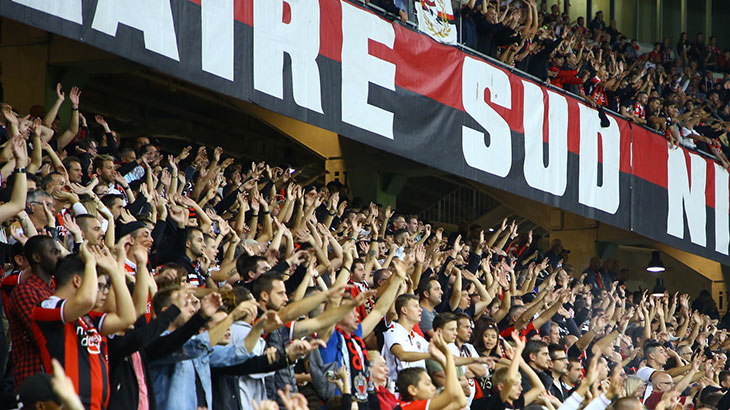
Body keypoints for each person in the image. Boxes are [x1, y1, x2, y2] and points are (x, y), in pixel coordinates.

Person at [393, 333, 467, 410]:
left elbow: (461, 402)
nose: (433, 388)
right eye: (427, 384)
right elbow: (451, 394)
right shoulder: (408, 407)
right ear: (413, 390)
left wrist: (443, 362)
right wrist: (447, 354)